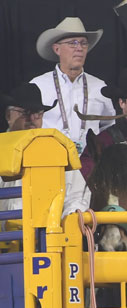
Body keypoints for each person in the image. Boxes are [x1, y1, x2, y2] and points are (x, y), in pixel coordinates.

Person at [0, 82, 92, 219]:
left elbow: (78, 195)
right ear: (8, 116)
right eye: (25, 113)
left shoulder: (57, 149)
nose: (32, 119)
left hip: (47, 236)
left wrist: (70, 217)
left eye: (37, 113)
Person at [30, 17, 115, 153]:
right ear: (57, 49)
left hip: (91, 164)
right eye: (73, 43)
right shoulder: (38, 86)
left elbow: (109, 125)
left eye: (83, 43)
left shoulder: (100, 87)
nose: (79, 48)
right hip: (49, 159)